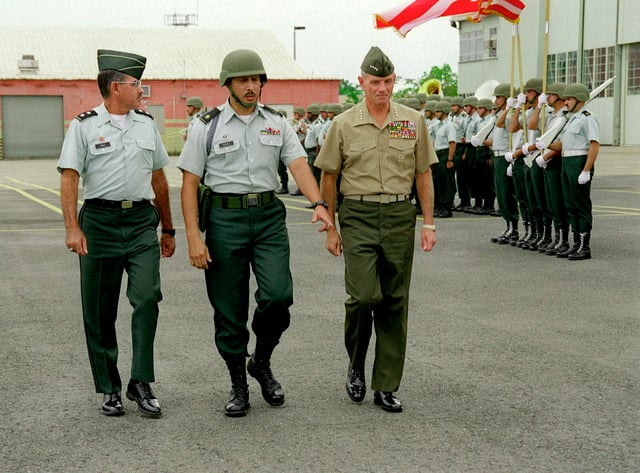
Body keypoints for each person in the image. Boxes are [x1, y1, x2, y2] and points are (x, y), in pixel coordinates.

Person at [177, 49, 333, 417]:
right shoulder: (207, 124)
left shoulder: (277, 122)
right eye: (243, 80)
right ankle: (238, 383)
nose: (251, 87)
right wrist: (193, 237)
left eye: (256, 80)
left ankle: (260, 360)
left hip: (267, 218)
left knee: (279, 295)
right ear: (228, 83)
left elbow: (298, 164)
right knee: (229, 310)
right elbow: (189, 184)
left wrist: (319, 204)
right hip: (223, 221)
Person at [315, 46, 437, 413]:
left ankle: (385, 384)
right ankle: (356, 364)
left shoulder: (413, 121)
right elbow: (329, 176)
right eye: (374, 82)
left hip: (400, 214)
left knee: (395, 302)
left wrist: (428, 223)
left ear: (394, 81)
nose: (381, 88)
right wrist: (331, 227)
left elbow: (423, 174)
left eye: (387, 81)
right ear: (361, 83)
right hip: (358, 216)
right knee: (364, 296)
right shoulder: (344, 123)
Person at [58, 49, 176, 417]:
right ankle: (108, 386)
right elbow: (69, 177)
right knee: (99, 310)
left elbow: (159, 178)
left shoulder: (146, 124)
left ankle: (140, 380)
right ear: (114, 87)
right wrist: (72, 227)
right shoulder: (84, 125)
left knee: (147, 298)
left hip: (141, 221)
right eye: (135, 83)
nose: (142, 89)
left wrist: (168, 228)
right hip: (99, 223)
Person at [547, 83, 599, 260]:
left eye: (569, 99)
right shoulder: (570, 119)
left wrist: (586, 170)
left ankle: (584, 247)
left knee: (580, 206)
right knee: (570, 205)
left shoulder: (587, 117)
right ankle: (576, 244)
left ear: (579, 99)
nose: (566, 102)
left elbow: (594, 144)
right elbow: (563, 146)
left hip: (578, 163)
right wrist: (544, 143)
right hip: (566, 162)